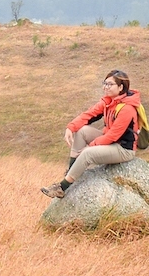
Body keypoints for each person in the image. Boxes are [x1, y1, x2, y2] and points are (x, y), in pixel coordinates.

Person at [41, 69, 143, 198]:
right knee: (81, 131)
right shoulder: (108, 102)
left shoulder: (127, 108)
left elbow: (113, 136)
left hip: (123, 149)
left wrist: (90, 146)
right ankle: (72, 172)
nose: (105, 87)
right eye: (105, 83)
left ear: (121, 87)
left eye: (110, 84)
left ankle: (62, 187)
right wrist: (70, 128)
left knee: (88, 153)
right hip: (110, 142)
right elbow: (89, 115)